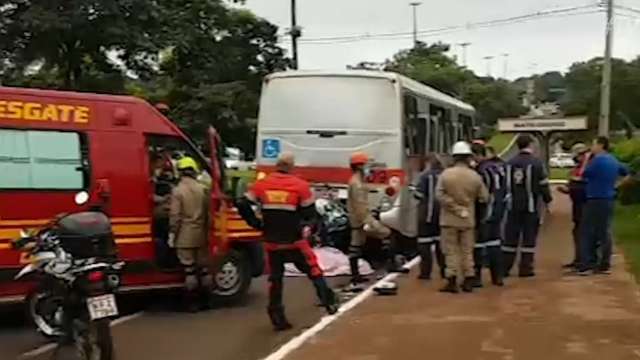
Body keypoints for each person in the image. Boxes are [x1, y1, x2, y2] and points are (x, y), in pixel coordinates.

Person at [237, 152, 338, 331]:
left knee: (275, 279)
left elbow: (242, 203)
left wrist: (256, 223)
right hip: (295, 241)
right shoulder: (301, 186)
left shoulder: (262, 184)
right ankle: (329, 302)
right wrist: (307, 228)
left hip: (272, 242)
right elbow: (310, 215)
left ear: (277, 165)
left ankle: (277, 316)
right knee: (314, 270)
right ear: (291, 167)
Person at [436, 141, 489, 293]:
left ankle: (451, 279)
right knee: (467, 250)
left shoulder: (445, 174)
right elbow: (484, 197)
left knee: (450, 250)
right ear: (468, 157)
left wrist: (454, 207)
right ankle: (468, 279)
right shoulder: (475, 176)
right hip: (468, 219)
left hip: (449, 219)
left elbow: (439, 195)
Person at [577, 136, 630, 275]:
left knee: (587, 231)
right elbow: (628, 173)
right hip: (608, 198)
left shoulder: (597, 161)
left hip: (595, 198)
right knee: (604, 231)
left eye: (594, 144)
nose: (592, 148)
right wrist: (616, 186)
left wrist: (586, 159)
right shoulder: (613, 160)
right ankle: (604, 264)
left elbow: (582, 174)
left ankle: (587, 264)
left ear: (600, 145)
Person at [502, 135, 553, 278]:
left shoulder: (509, 164)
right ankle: (525, 268)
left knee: (510, 237)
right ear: (530, 145)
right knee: (529, 237)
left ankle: (505, 267)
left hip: (512, 206)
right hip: (531, 206)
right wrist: (548, 200)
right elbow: (543, 185)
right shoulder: (537, 164)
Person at [168, 156, 212, 312]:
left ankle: (192, 304)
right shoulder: (203, 189)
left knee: (189, 270)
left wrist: (172, 233)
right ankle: (207, 301)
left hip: (184, 235)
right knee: (204, 269)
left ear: (180, 172)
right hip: (201, 234)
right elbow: (209, 214)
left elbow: (175, 216)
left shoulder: (178, 190)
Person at [347, 152, 392, 284]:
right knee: (386, 234)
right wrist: (368, 222)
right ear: (359, 166)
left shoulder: (357, 181)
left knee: (356, 245)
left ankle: (356, 275)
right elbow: (360, 205)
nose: (368, 167)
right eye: (366, 164)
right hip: (361, 219)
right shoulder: (357, 184)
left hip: (358, 219)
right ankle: (387, 266)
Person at [471, 142, 507, 287]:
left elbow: (480, 194)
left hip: (485, 210)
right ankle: (497, 277)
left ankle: (477, 277)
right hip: (498, 208)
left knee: (479, 244)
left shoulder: (481, 171)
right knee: (495, 242)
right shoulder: (497, 168)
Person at [558, 143, 591, 269]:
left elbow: (584, 186)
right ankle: (578, 259)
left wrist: (573, 186)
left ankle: (584, 261)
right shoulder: (577, 168)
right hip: (577, 205)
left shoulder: (588, 168)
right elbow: (573, 185)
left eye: (580, 155)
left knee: (584, 232)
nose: (578, 158)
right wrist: (566, 189)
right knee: (577, 231)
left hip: (585, 205)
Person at [416, 153, 446, 280]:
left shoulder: (424, 176)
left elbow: (418, 195)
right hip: (442, 215)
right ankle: (444, 270)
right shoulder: (445, 175)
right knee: (441, 245)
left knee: (424, 245)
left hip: (426, 216)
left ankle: (425, 272)